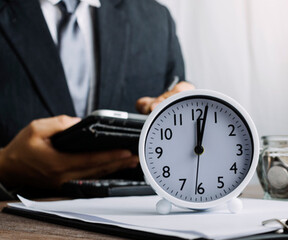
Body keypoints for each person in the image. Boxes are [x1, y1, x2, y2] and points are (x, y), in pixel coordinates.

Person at [0, 0, 194, 200]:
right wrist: (4, 167)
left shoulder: (156, 19)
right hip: (15, 220)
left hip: (130, 220)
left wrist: (191, 122)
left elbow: (177, 145)